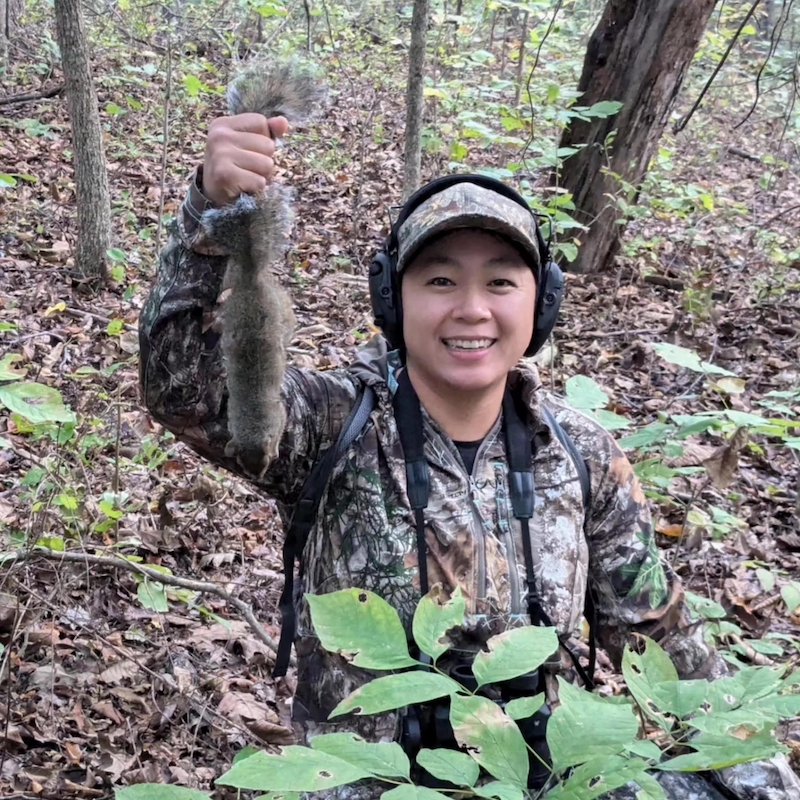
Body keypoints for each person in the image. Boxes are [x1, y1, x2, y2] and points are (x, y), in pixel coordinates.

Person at [138, 112, 799, 799]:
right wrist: (209, 217)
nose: (473, 310)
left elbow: (663, 640)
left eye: (502, 282)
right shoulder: (327, 426)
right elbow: (182, 385)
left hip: (543, 781)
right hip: (369, 784)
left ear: (542, 304)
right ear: (392, 300)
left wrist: (751, 760)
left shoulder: (581, 453)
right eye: (441, 281)